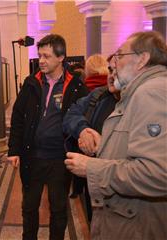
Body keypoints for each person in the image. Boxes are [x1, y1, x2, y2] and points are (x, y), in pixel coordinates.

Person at [64, 31, 167, 239]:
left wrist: (91, 167)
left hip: (136, 224)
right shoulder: (135, 93)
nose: (114, 65)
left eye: (119, 56)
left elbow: (157, 173)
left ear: (142, 59)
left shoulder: (150, 92)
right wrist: (104, 144)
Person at [7, 34, 88, 240]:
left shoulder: (77, 87)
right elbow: (17, 117)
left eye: (47, 56)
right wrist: (14, 150)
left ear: (61, 58)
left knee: (59, 209)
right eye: (39, 55)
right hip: (32, 157)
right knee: (29, 206)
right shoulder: (31, 82)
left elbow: (83, 119)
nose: (41, 60)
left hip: (60, 158)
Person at [62, 55, 120, 222]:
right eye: (110, 69)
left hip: (119, 191)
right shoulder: (98, 95)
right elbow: (71, 114)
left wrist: (100, 148)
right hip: (92, 184)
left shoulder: (140, 105)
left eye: (117, 70)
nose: (111, 75)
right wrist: (83, 130)